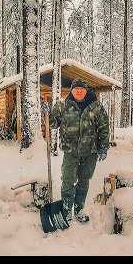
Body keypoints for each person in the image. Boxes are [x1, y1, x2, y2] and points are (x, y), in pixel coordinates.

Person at [48, 78, 109, 223]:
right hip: (71, 151)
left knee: (84, 181)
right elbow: (53, 124)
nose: (79, 91)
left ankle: (79, 210)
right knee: (68, 180)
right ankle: (67, 210)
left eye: (82, 88)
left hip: (90, 151)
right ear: (72, 90)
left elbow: (104, 127)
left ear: (86, 90)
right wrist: (47, 113)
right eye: (76, 89)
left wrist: (103, 147)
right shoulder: (62, 105)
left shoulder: (96, 106)